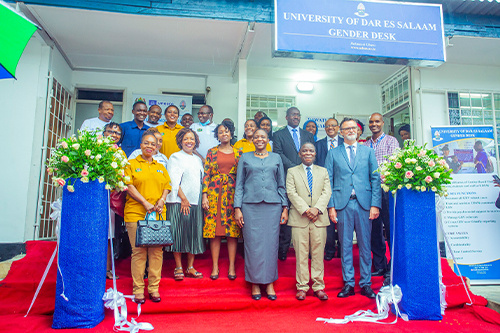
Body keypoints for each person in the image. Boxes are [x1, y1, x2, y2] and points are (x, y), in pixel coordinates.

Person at [326, 117, 381, 299]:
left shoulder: (368, 152)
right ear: (340, 132)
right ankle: (348, 283)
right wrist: (331, 207)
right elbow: (329, 181)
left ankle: (366, 284)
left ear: (358, 131)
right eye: (346, 128)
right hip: (343, 204)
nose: (350, 130)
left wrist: (375, 204)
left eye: (353, 128)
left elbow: (375, 179)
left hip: (365, 204)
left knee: (365, 245)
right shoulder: (334, 153)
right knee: (345, 245)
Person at [235, 129, 288, 300]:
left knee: (271, 245)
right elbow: (239, 185)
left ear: (268, 139)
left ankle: (270, 283)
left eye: (263, 137)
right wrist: (237, 208)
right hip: (250, 206)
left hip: (273, 206)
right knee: (253, 245)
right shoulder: (245, 157)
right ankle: (255, 284)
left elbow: (281, 184)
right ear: (253, 139)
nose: (259, 139)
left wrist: (285, 206)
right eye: (256, 136)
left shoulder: (276, 158)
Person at [124, 132, 172, 304]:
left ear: (157, 146)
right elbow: (128, 185)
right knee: (138, 252)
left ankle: (153, 289)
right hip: (136, 212)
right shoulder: (130, 164)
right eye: (146, 143)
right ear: (141, 144)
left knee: (156, 252)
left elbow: (167, 185)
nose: (150, 146)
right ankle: (138, 290)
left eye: (153, 144)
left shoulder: (160, 166)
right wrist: (144, 202)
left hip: (158, 213)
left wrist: (162, 199)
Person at [286, 143, 332, 301]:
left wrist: (317, 209)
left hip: (319, 218)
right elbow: (291, 192)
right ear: (299, 154)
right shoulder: (292, 171)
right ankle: (302, 287)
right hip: (300, 218)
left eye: (311, 151)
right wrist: (306, 210)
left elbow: (327, 192)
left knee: (318, 254)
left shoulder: (323, 171)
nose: (308, 153)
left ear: (315, 153)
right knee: (301, 254)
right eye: (304, 151)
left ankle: (318, 286)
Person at [202, 120, 243, 280]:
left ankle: (232, 266)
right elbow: (206, 175)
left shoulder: (239, 153)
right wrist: (204, 195)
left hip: (233, 194)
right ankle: (215, 267)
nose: (224, 134)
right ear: (217, 135)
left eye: (226, 131)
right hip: (214, 194)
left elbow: (242, 177)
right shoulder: (211, 152)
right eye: (220, 132)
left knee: (232, 232)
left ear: (231, 133)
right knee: (216, 232)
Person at [273, 107, 315, 260]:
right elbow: (278, 153)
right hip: (287, 178)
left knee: (307, 211)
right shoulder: (278, 135)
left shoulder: (308, 135)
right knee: (288, 212)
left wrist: (303, 168)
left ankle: (309, 250)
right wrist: (295, 167)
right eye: (293, 115)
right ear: (287, 117)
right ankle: (283, 249)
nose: (296, 117)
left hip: (307, 180)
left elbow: (311, 153)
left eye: (298, 115)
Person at [165, 128, 205, 281]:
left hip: (195, 201)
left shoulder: (196, 158)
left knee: (193, 235)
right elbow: (173, 181)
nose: (189, 141)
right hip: (180, 202)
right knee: (179, 234)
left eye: (192, 139)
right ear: (180, 141)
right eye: (186, 139)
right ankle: (178, 267)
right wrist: (183, 199)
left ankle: (190, 267)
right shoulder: (175, 157)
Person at [363, 113, 398, 281]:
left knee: (390, 229)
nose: (374, 124)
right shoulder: (366, 144)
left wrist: (376, 178)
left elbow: (393, 166)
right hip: (370, 192)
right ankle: (379, 266)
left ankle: (393, 267)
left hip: (386, 190)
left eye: (377, 121)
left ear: (382, 123)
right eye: (371, 122)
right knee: (374, 231)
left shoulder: (391, 141)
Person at [315, 118, 343, 261]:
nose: (330, 128)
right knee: (328, 221)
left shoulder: (345, 143)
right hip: (323, 187)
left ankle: (343, 250)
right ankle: (330, 249)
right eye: (327, 126)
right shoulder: (318, 144)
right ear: (324, 129)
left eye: (333, 126)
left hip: (343, 187)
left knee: (343, 220)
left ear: (338, 127)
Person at [103, 122, 125, 280]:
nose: (113, 134)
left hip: (112, 199)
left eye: (117, 133)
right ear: (104, 133)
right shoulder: (95, 148)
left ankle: (108, 269)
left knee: (110, 235)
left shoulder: (121, 154)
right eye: (110, 131)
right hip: (96, 198)